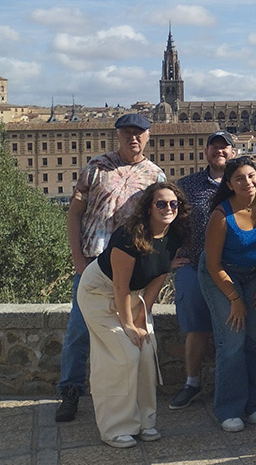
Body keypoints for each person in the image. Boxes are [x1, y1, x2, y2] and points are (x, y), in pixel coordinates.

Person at [58, 113, 165, 423]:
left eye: (139, 133)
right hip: (92, 265)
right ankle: (71, 391)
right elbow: (75, 214)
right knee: (79, 330)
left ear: (148, 137)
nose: (134, 138)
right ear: (117, 135)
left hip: (132, 270)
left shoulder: (156, 177)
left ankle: (125, 399)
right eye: (127, 132)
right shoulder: (95, 168)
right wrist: (78, 260)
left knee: (126, 332)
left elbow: (159, 226)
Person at [78, 181, 189, 447]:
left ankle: (144, 422)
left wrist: (143, 318)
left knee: (146, 353)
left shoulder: (173, 235)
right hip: (100, 293)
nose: (168, 208)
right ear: (148, 208)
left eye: (173, 204)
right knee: (123, 354)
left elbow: (159, 274)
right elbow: (120, 284)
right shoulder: (129, 236)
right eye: (161, 203)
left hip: (135, 295)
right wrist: (128, 324)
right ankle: (116, 428)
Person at [200, 156, 256, 432]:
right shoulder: (221, 216)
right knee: (232, 341)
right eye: (239, 178)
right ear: (229, 184)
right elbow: (213, 264)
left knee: (254, 338)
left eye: (251, 176)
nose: (247, 182)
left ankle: (251, 404)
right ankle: (229, 408)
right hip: (222, 275)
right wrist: (234, 299)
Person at [170, 129, 234, 411]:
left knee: (229, 329)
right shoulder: (186, 185)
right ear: (206, 152)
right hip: (193, 264)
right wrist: (168, 259)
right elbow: (166, 224)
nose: (219, 151)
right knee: (196, 328)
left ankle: (229, 386)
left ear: (233, 152)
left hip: (233, 268)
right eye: (214, 147)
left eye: (224, 147)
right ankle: (192, 382)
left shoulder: (243, 183)